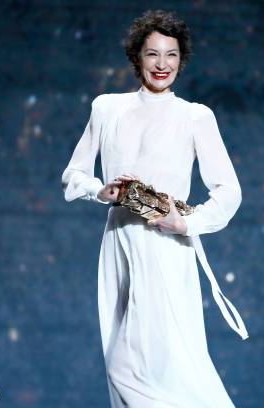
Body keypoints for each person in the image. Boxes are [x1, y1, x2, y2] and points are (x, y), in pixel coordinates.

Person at [60, 9, 248, 408]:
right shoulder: (106, 108)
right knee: (119, 355)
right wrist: (100, 190)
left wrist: (187, 222)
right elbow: (73, 174)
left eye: (172, 55)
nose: (162, 65)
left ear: (182, 60)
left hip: (165, 245)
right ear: (136, 58)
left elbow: (229, 192)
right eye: (152, 54)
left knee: (143, 365)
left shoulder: (195, 116)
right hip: (117, 239)